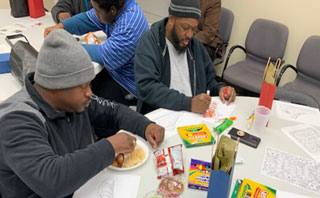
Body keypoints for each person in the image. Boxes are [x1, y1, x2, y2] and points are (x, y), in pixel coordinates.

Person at [0, 29, 164, 197]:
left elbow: (113, 111)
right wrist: (110, 147)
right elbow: (51, 180)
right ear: (57, 86)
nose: (90, 93)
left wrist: (145, 125)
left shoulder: (74, 101)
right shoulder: (16, 121)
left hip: (83, 188)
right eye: (83, 85)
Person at [134, 0, 236, 115]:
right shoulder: (150, 42)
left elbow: (209, 81)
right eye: (185, 27)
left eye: (194, 29)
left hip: (193, 116)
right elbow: (147, 88)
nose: (190, 35)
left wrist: (220, 89)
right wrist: (188, 103)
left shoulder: (194, 45)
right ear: (171, 19)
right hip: (161, 115)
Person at [45, 0, 149, 106]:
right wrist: (61, 27)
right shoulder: (117, 7)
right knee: (79, 86)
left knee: (83, 100)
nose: (95, 13)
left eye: (97, 11)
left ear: (112, 10)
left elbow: (103, 54)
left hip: (129, 84)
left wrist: (67, 45)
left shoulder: (129, 26)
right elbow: (87, 19)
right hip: (118, 71)